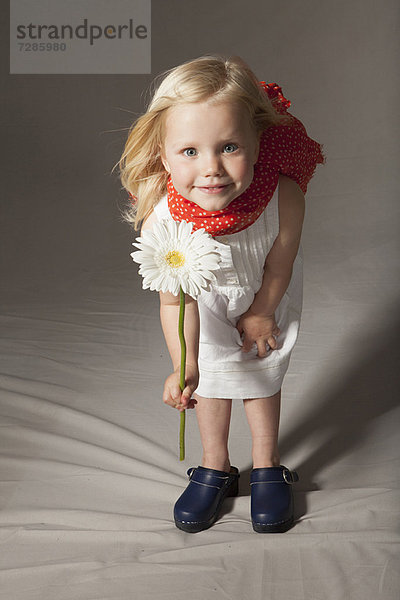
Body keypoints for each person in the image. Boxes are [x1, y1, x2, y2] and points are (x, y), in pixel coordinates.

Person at [119, 55, 324, 533]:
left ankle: (267, 463)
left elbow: (279, 264)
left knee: (259, 372)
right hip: (200, 305)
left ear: (257, 142)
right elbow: (175, 300)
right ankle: (214, 464)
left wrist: (262, 311)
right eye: (189, 151)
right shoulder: (162, 217)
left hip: (264, 294)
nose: (211, 169)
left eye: (229, 146)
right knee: (209, 378)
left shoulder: (284, 196)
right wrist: (183, 364)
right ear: (163, 155)